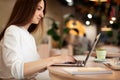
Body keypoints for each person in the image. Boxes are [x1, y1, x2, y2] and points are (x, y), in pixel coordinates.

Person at [0, 0, 75, 79]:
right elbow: (16, 70)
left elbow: (37, 67)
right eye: (39, 9)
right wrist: (53, 59)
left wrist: (58, 59)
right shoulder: (13, 30)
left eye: (42, 11)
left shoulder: (29, 37)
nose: (42, 15)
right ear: (26, 8)